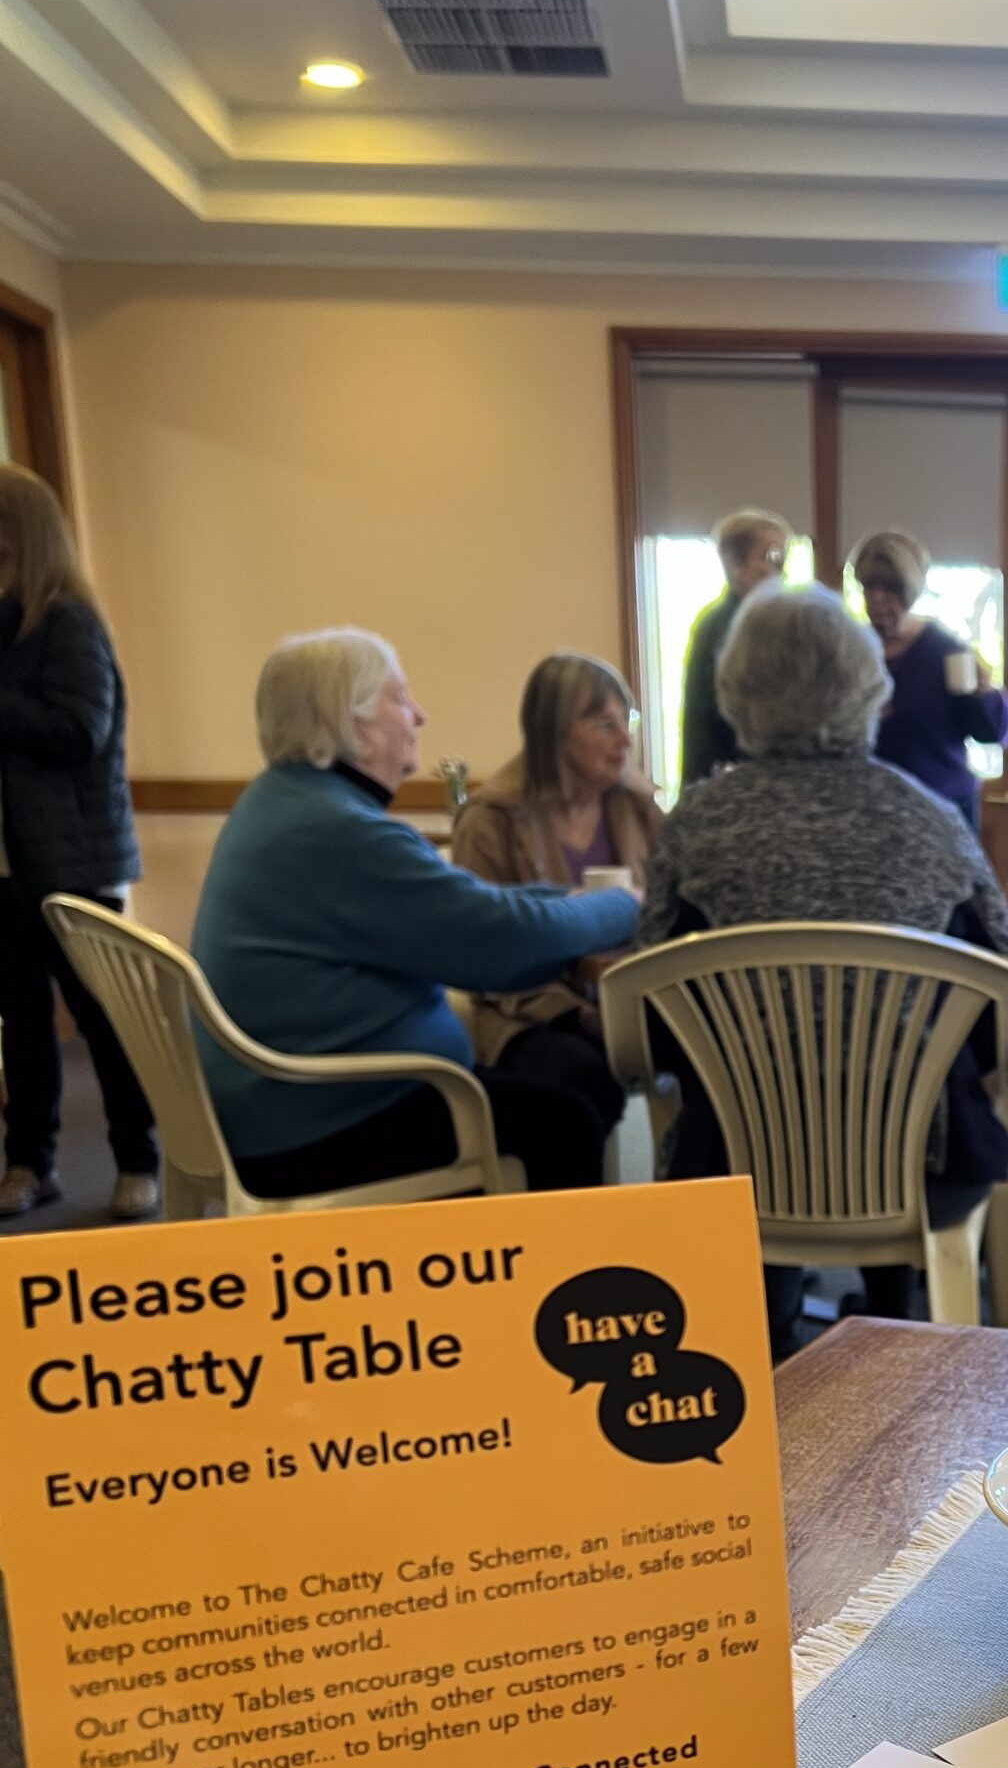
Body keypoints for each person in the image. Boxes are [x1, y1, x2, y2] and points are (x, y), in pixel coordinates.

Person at [642, 584, 1008, 1356]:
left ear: (734, 693)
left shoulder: (694, 826)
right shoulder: (933, 823)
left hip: (734, 1166)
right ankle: (893, 1315)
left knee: (741, 1111)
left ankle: (767, 1331)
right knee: (919, 1092)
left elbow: (643, 1032)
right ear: (871, 690)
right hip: (921, 1165)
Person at [191, 630, 641, 1198]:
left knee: (561, 1100)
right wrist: (625, 906)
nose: (419, 716)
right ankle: (543, 1259)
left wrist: (567, 903)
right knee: (565, 1122)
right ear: (355, 725)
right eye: (400, 699)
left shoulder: (285, 803)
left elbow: (480, 913)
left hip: (290, 1098)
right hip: (322, 1120)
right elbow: (500, 942)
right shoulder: (344, 835)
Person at [0, 464, 159, 1220]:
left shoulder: (66, 622)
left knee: (104, 1021)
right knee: (22, 1026)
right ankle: (30, 1163)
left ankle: (139, 1161)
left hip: (72, 860)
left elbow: (79, 731)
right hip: (7, 865)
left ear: (18, 531)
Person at [451, 652, 662, 1148]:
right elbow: (486, 956)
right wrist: (584, 1016)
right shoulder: (491, 820)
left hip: (631, 1000)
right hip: (525, 1012)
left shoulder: (639, 806)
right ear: (553, 733)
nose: (625, 740)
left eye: (627, 721)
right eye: (604, 724)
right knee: (580, 1078)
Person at [851, 530, 1008, 829]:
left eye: (889, 589)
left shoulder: (946, 652)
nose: (876, 599)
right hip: (871, 809)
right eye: (869, 587)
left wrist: (985, 694)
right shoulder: (850, 651)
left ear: (910, 590)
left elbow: (992, 732)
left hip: (941, 810)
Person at [679, 508, 790, 790]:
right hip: (736, 779)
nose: (780, 570)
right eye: (770, 557)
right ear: (734, 564)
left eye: (783, 559)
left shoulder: (777, 620)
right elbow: (708, 720)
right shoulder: (723, 627)